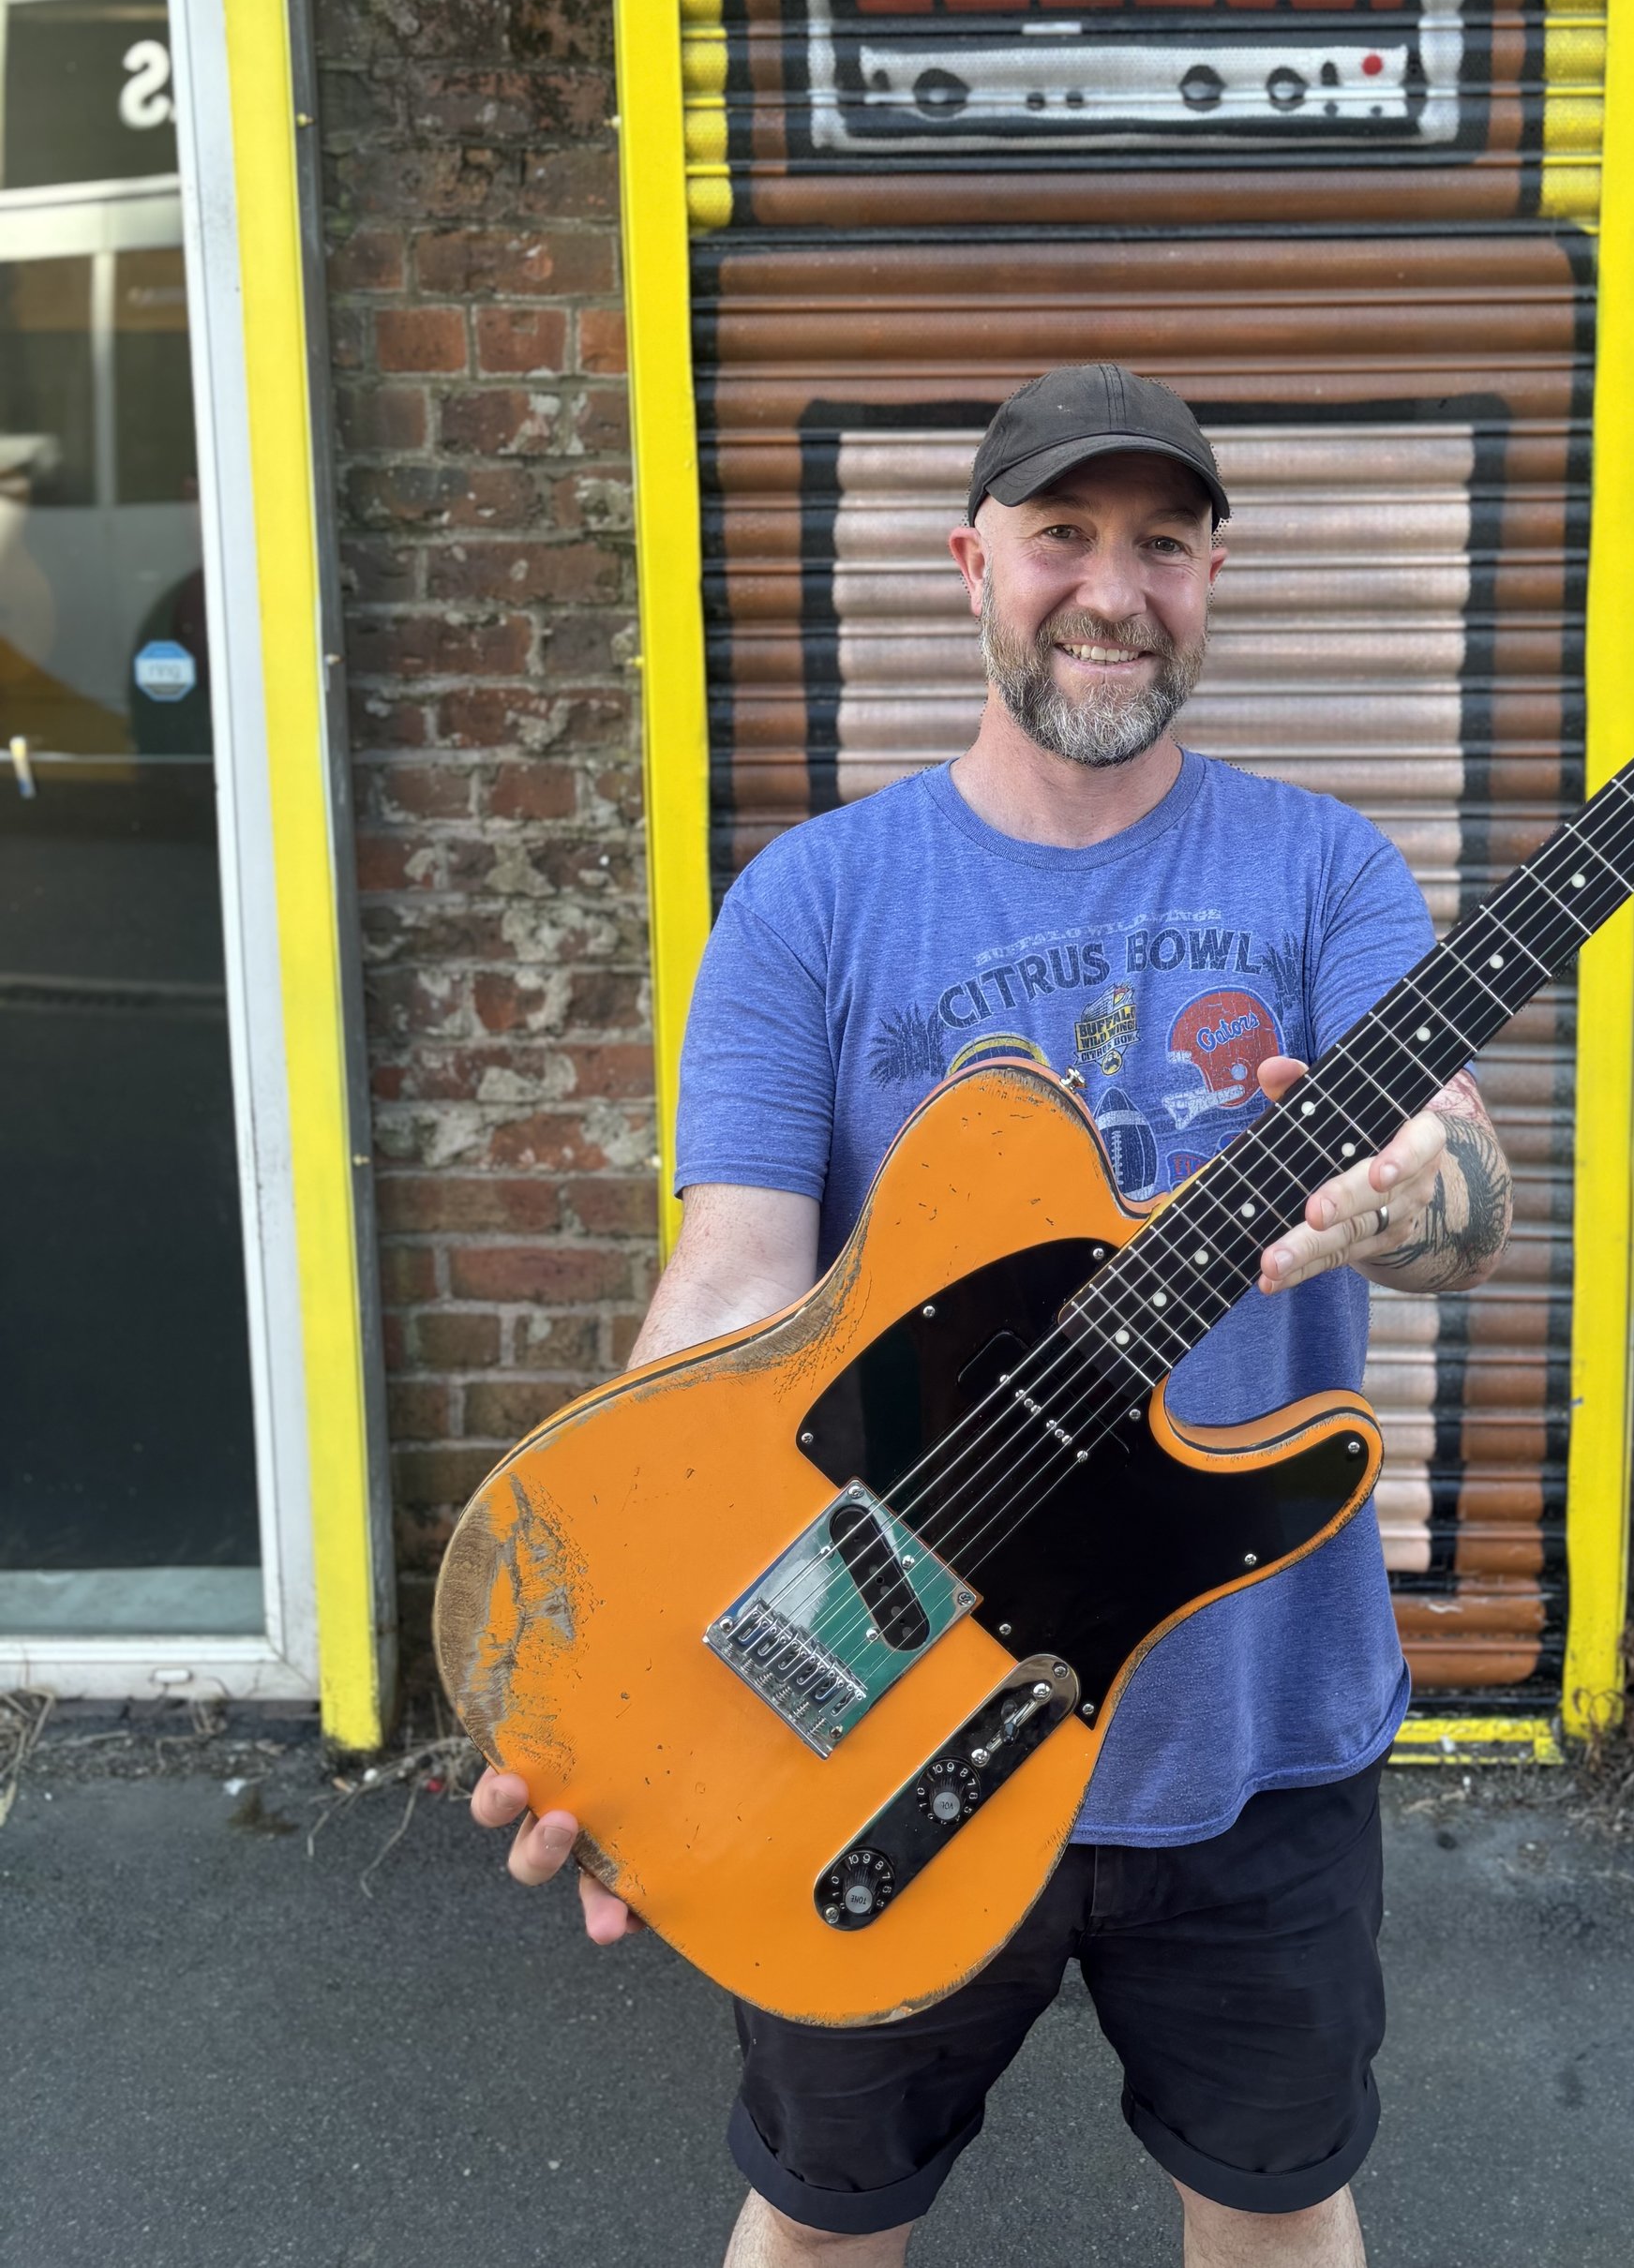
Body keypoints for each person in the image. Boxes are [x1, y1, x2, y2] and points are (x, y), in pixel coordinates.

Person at [472, 364, 1515, 2267]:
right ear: (972, 561)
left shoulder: (1322, 870)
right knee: (821, 2214)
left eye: (1163, 545)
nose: (1111, 588)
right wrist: (615, 1644)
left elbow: (1462, 1183)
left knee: (1278, 2207)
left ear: (1211, 580)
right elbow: (728, 1286)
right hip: (875, 1682)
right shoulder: (814, 902)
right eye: (1063, 535)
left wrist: (1400, 1192)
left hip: (1247, 1717)